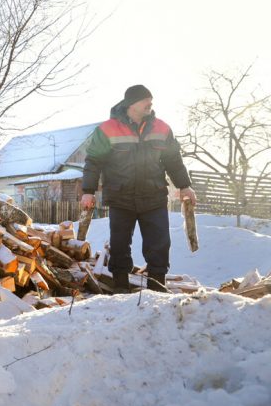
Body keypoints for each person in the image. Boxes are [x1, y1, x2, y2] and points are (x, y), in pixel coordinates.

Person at [80, 84, 196, 293]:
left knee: (160, 244)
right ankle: (121, 287)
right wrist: (88, 190)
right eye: (146, 101)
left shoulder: (161, 128)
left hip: (154, 196)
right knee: (120, 244)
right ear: (132, 104)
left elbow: (173, 160)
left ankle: (156, 288)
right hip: (120, 197)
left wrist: (185, 186)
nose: (150, 104)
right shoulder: (108, 129)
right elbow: (93, 161)